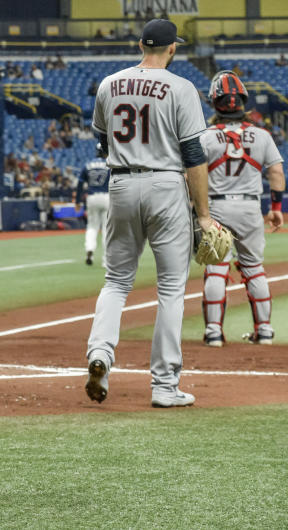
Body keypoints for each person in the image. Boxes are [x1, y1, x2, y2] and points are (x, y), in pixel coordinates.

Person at [84, 19, 213, 408]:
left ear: (141, 44)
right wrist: (203, 215)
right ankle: (163, 385)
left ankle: (100, 355)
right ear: (172, 48)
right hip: (165, 184)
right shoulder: (181, 87)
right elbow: (193, 156)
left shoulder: (109, 84)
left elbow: (102, 143)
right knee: (171, 288)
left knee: (116, 281)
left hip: (121, 183)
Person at [198, 71, 285, 347]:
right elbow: (276, 174)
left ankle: (213, 331)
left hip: (216, 207)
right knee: (254, 268)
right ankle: (266, 330)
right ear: (244, 102)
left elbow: (193, 175)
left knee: (216, 269)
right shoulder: (262, 135)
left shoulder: (205, 136)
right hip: (249, 207)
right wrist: (275, 207)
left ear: (214, 102)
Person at [78, 143, 110, 266]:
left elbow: (80, 184)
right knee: (107, 229)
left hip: (91, 197)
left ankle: (89, 249)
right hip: (106, 197)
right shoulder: (109, 165)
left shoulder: (88, 165)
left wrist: (77, 201)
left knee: (92, 227)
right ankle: (106, 261)